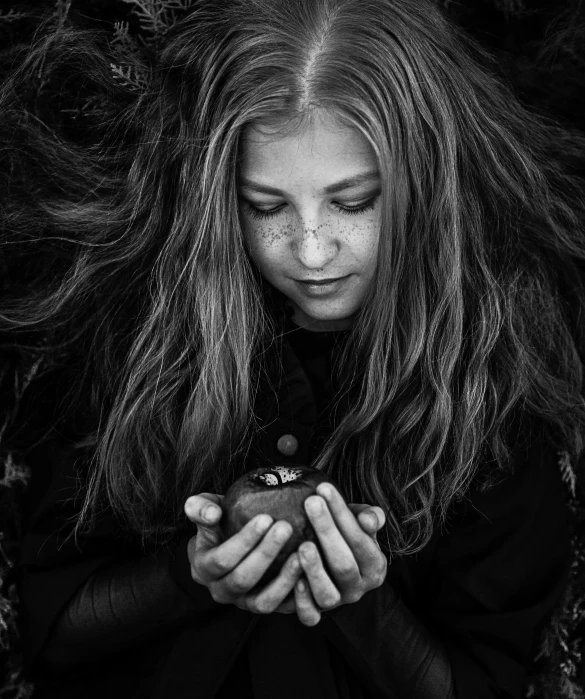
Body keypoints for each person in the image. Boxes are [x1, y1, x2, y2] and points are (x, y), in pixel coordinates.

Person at [2, 0, 585, 697]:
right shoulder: (136, 347)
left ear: (426, 188)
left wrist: (357, 601)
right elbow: (51, 631)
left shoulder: (493, 393)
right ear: (218, 199)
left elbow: (481, 683)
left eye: (353, 201)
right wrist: (190, 574)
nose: (310, 250)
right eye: (266, 206)